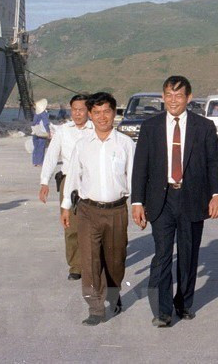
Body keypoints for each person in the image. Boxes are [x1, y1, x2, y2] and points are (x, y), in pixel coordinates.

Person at [131, 76, 218, 327]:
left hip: (192, 198)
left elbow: (215, 163)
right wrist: (137, 201)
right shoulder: (150, 127)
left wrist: (217, 195)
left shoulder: (204, 127)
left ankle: (183, 303)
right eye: (169, 95)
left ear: (188, 98)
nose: (173, 101)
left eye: (179, 96)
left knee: (188, 254)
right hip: (161, 199)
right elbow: (140, 167)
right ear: (163, 97)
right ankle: (162, 311)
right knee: (162, 254)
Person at [60, 92, 134, 325]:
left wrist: (138, 206)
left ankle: (113, 293)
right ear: (90, 115)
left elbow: (133, 177)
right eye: (97, 112)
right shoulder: (82, 145)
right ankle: (95, 308)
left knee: (115, 260)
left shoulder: (125, 144)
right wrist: (65, 206)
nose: (102, 117)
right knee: (90, 260)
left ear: (114, 113)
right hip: (88, 211)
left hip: (117, 211)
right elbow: (73, 177)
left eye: (106, 112)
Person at [39, 93, 92, 280]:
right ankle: (76, 265)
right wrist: (44, 181)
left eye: (81, 110)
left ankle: (93, 263)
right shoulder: (63, 131)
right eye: (74, 110)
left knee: (93, 225)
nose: (77, 113)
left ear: (89, 111)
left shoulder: (95, 129)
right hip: (69, 182)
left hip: (92, 182)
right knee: (71, 226)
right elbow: (51, 156)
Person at [31, 98, 51, 167]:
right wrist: (48, 132)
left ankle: (35, 162)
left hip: (35, 131)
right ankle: (40, 162)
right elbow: (46, 123)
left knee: (36, 147)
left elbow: (34, 123)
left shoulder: (36, 113)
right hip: (42, 132)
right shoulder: (44, 113)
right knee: (41, 147)